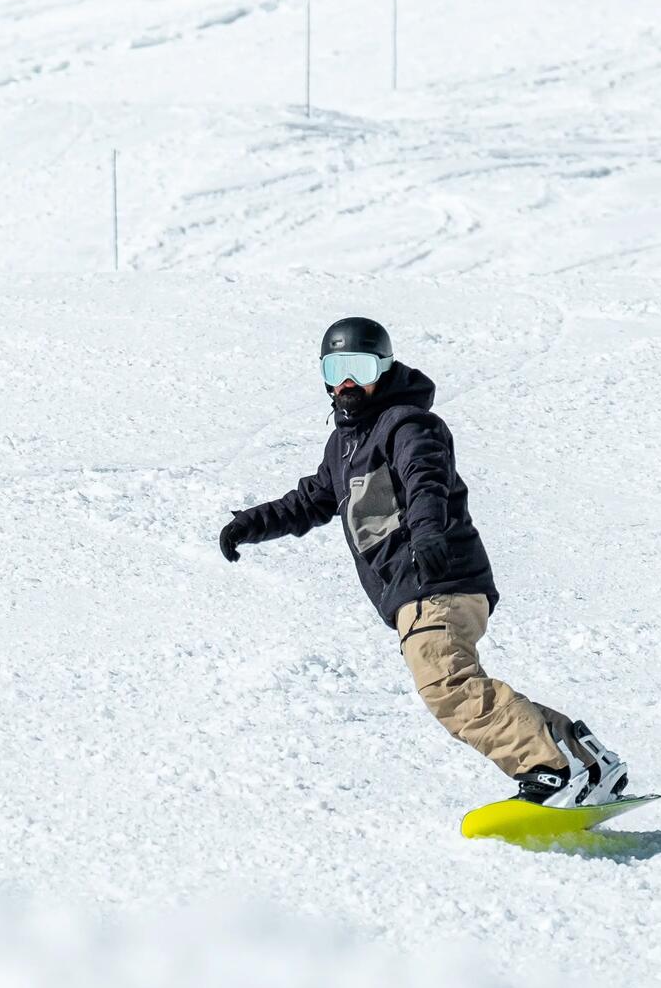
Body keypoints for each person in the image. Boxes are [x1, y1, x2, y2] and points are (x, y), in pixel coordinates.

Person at [219, 315, 629, 808]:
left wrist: (428, 529)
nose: (348, 383)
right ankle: (586, 761)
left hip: (432, 577)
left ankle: (550, 768)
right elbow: (309, 501)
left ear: (385, 370)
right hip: (427, 586)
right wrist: (250, 524)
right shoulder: (344, 446)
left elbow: (424, 477)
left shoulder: (408, 424)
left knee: (447, 687)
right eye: (336, 369)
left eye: (361, 368)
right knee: (460, 683)